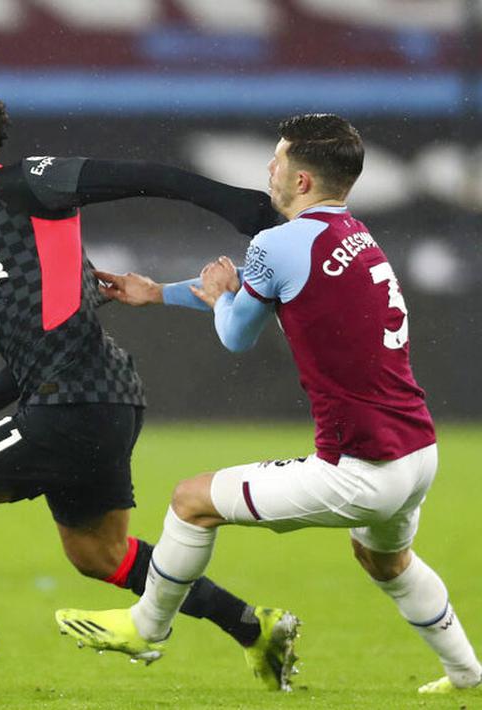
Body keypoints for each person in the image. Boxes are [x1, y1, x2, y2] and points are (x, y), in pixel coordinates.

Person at [0, 73, 300, 689]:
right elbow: (30, 358)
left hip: (72, 402)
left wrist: (246, 208)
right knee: (98, 555)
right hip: (97, 398)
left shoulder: (23, 185)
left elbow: (140, 175)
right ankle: (253, 626)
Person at [58, 113, 481, 694]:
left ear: (301, 180)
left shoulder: (277, 243)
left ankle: (146, 626)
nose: (268, 169)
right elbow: (259, 291)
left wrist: (218, 296)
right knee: (387, 562)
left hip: (359, 468)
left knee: (190, 502)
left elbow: (236, 331)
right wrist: (159, 292)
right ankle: (466, 673)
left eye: (277, 160)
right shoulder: (353, 233)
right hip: (416, 453)